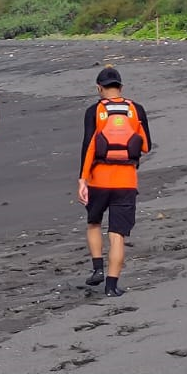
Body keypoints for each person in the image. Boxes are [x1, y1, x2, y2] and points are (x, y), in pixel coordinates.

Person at [78, 66, 151, 297]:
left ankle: (97, 268)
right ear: (121, 87)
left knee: (94, 223)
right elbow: (146, 145)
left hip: (99, 179)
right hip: (126, 181)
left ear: (99, 88)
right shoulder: (136, 109)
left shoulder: (94, 111)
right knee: (118, 233)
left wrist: (82, 179)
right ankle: (111, 286)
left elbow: (88, 145)